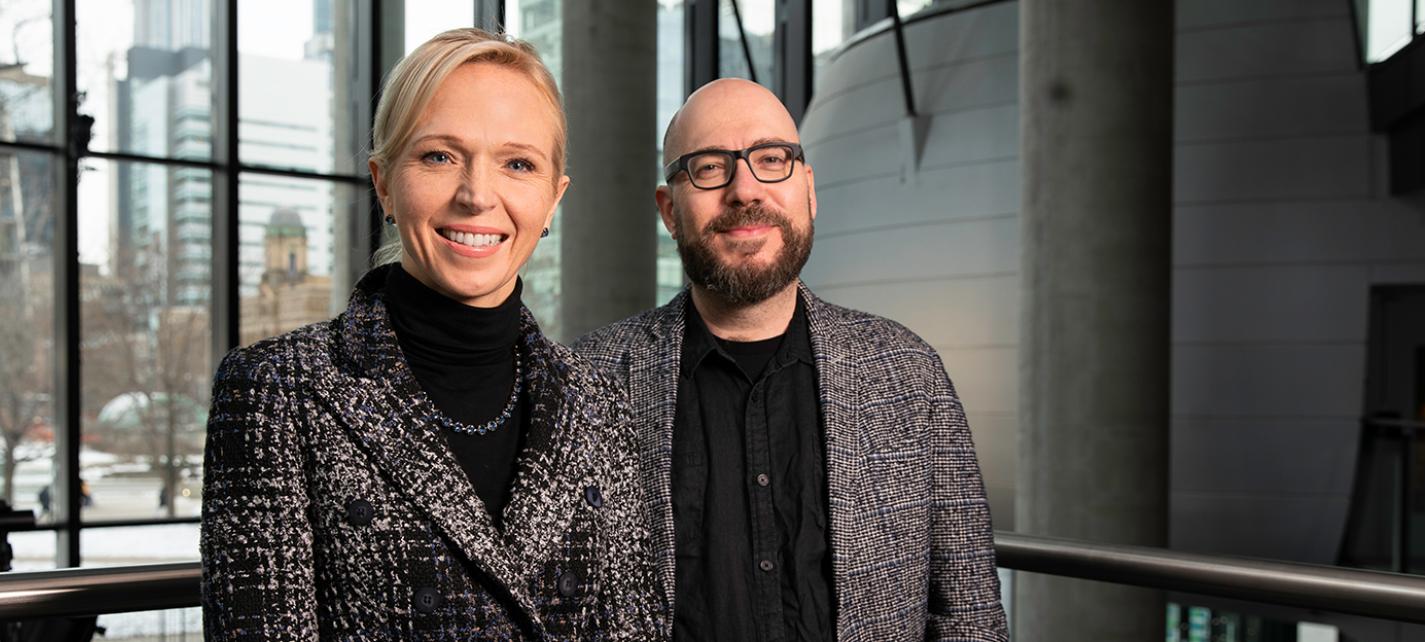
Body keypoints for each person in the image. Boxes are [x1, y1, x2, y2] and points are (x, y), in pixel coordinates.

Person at [201, 29, 665, 640]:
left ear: (553, 201)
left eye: (517, 163)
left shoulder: (602, 403)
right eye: (439, 156)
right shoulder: (275, 391)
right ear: (385, 182)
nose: (477, 195)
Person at [575, 78, 1009, 641]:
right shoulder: (589, 383)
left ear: (808, 189)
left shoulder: (910, 374)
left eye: (771, 159)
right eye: (709, 167)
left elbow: (968, 613)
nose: (745, 189)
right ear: (669, 210)